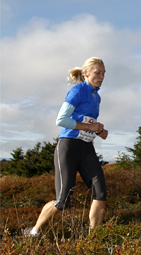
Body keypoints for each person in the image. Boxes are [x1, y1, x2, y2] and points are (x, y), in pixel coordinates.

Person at [24, 57, 109, 237]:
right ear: (86, 73)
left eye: (103, 73)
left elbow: (86, 121)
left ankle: (94, 238)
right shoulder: (77, 91)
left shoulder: (96, 96)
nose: (101, 77)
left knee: (100, 193)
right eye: (97, 73)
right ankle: (34, 231)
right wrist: (89, 127)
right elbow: (61, 120)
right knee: (62, 201)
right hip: (68, 147)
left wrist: (98, 130)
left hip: (86, 147)